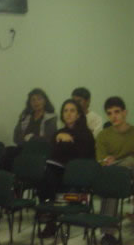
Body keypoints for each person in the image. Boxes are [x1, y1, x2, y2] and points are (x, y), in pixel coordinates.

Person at [95, 96, 134, 245]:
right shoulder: (103, 135)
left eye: (117, 112)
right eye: (109, 113)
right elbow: (100, 162)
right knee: (113, 180)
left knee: (129, 161)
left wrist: (133, 166)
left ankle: (106, 234)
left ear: (125, 112)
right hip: (112, 176)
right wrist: (108, 162)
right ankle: (107, 235)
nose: (113, 116)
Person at [38, 99, 96, 237]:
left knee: (49, 176)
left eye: (72, 111)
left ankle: (49, 218)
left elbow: (82, 157)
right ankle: (50, 217)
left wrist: (68, 141)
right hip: (58, 172)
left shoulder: (86, 134)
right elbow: (54, 153)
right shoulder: (59, 133)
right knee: (46, 173)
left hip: (77, 174)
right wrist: (59, 137)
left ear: (78, 115)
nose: (68, 114)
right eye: (65, 111)